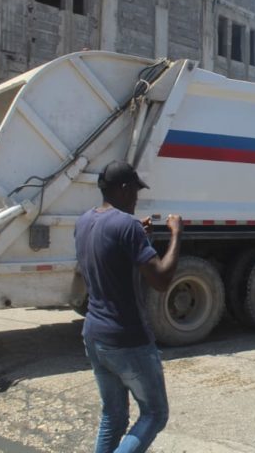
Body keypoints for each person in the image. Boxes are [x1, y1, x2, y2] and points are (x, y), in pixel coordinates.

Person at [75, 160, 183, 453]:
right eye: (135, 191)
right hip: (127, 339)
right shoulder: (126, 227)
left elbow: (111, 256)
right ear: (123, 189)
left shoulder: (84, 221)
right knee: (154, 414)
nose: (137, 198)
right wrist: (175, 235)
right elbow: (161, 279)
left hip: (94, 335)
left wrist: (136, 235)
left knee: (114, 414)